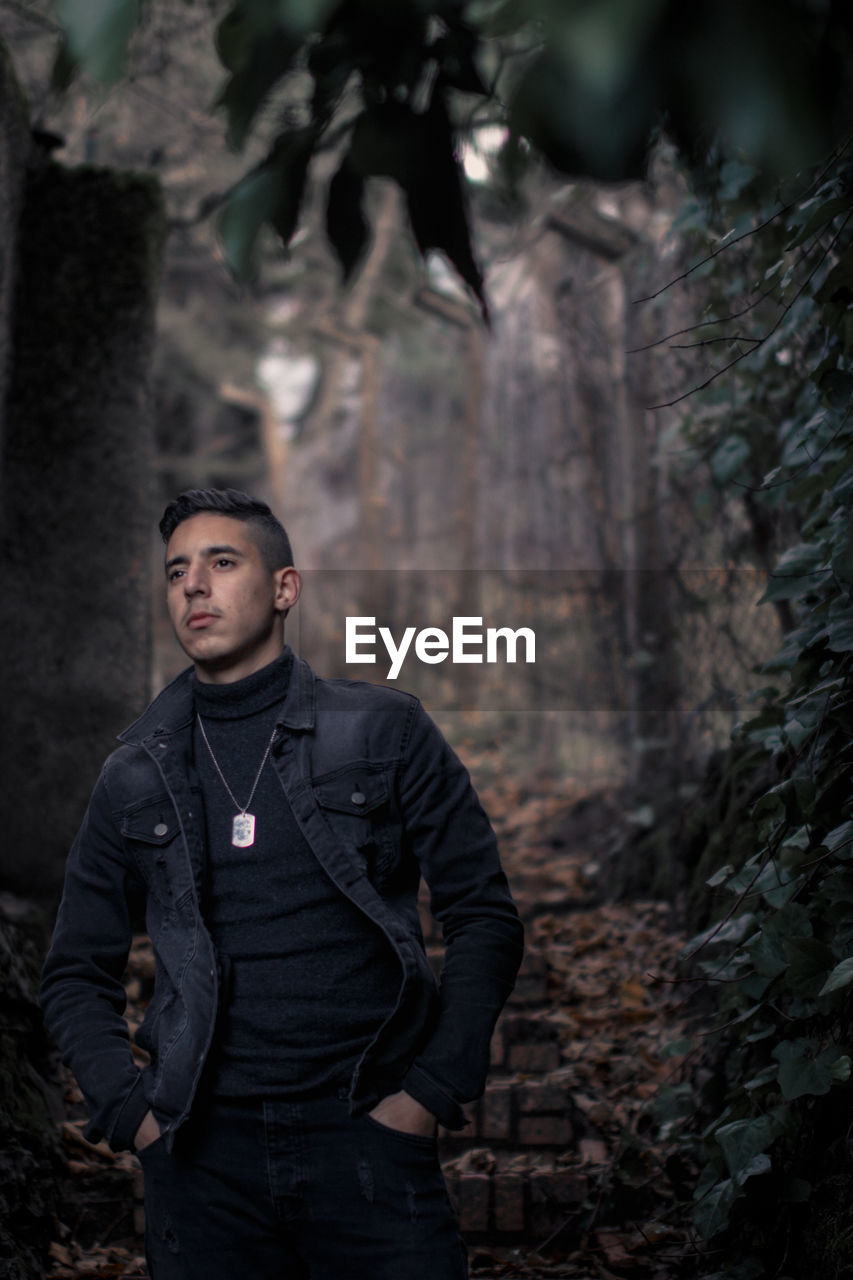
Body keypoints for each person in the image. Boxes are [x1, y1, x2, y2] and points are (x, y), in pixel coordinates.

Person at [40, 487, 524, 1280]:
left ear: (284, 588)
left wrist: (427, 1096)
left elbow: (484, 917)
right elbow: (72, 972)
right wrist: (134, 1117)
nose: (193, 585)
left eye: (221, 563)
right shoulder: (133, 775)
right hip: (201, 1161)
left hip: (367, 1139)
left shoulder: (383, 731)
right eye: (176, 572)